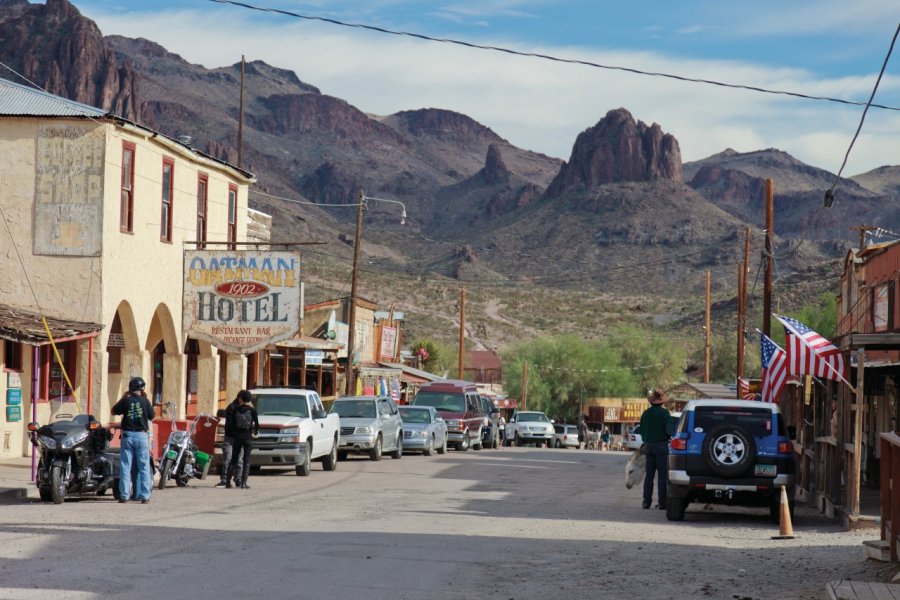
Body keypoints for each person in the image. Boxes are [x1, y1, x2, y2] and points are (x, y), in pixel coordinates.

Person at [112, 376, 155, 504]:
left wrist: (124, 398)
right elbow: (151, 416)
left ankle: (124, 495)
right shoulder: (145, 401)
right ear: (142, 388)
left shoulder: (126, 400)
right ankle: (145, 496)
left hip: (128, 436)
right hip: (142, 436)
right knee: (144, 467)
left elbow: (114, 411)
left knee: (125, 466)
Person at [639, 390, 671, 510]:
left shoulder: (645, 414)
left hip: (648, 446)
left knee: (649, 476)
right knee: (662, 476)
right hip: (661, 446)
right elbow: (670, 430)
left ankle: (646, 502)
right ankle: (662, 503)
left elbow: (641, 431)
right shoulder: (664, 413)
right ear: (661, 402)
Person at [227, 390, 259, 489]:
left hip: (237, 438)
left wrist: (234, 434)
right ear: (249, 399)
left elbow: (231, 424)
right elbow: (257, 425)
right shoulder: (252, 411)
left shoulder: (236, 410)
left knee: (233, 460)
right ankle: (243, 483)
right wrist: (255, 433)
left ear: (241, 399)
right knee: (246, 460)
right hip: (248, 438)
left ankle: (228, 482)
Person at [216, 393, 242, 488]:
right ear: (239, 398)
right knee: (228, 458)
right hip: (230, 438)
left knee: (239, 460)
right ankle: (224, 480)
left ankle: (238, 479)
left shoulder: (247, 408)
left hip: (240, 438)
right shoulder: (231, 407)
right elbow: (230, 423)